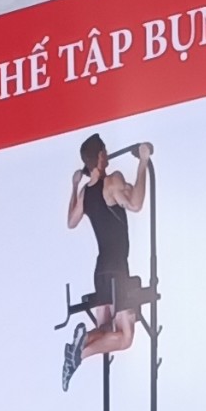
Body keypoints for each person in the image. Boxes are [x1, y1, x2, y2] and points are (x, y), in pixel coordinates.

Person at [63, 136, 154, 392]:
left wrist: (74, 186)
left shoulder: (85, 192)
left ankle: (78, 347)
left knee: (105, 330)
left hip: (100, 271)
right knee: (125, 338)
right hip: (117, 270)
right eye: (105, 151)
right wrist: (143, 162)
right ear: (101, 156)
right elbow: (135, 203)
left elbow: (71, 221)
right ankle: (79, 354)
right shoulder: (112, 181)